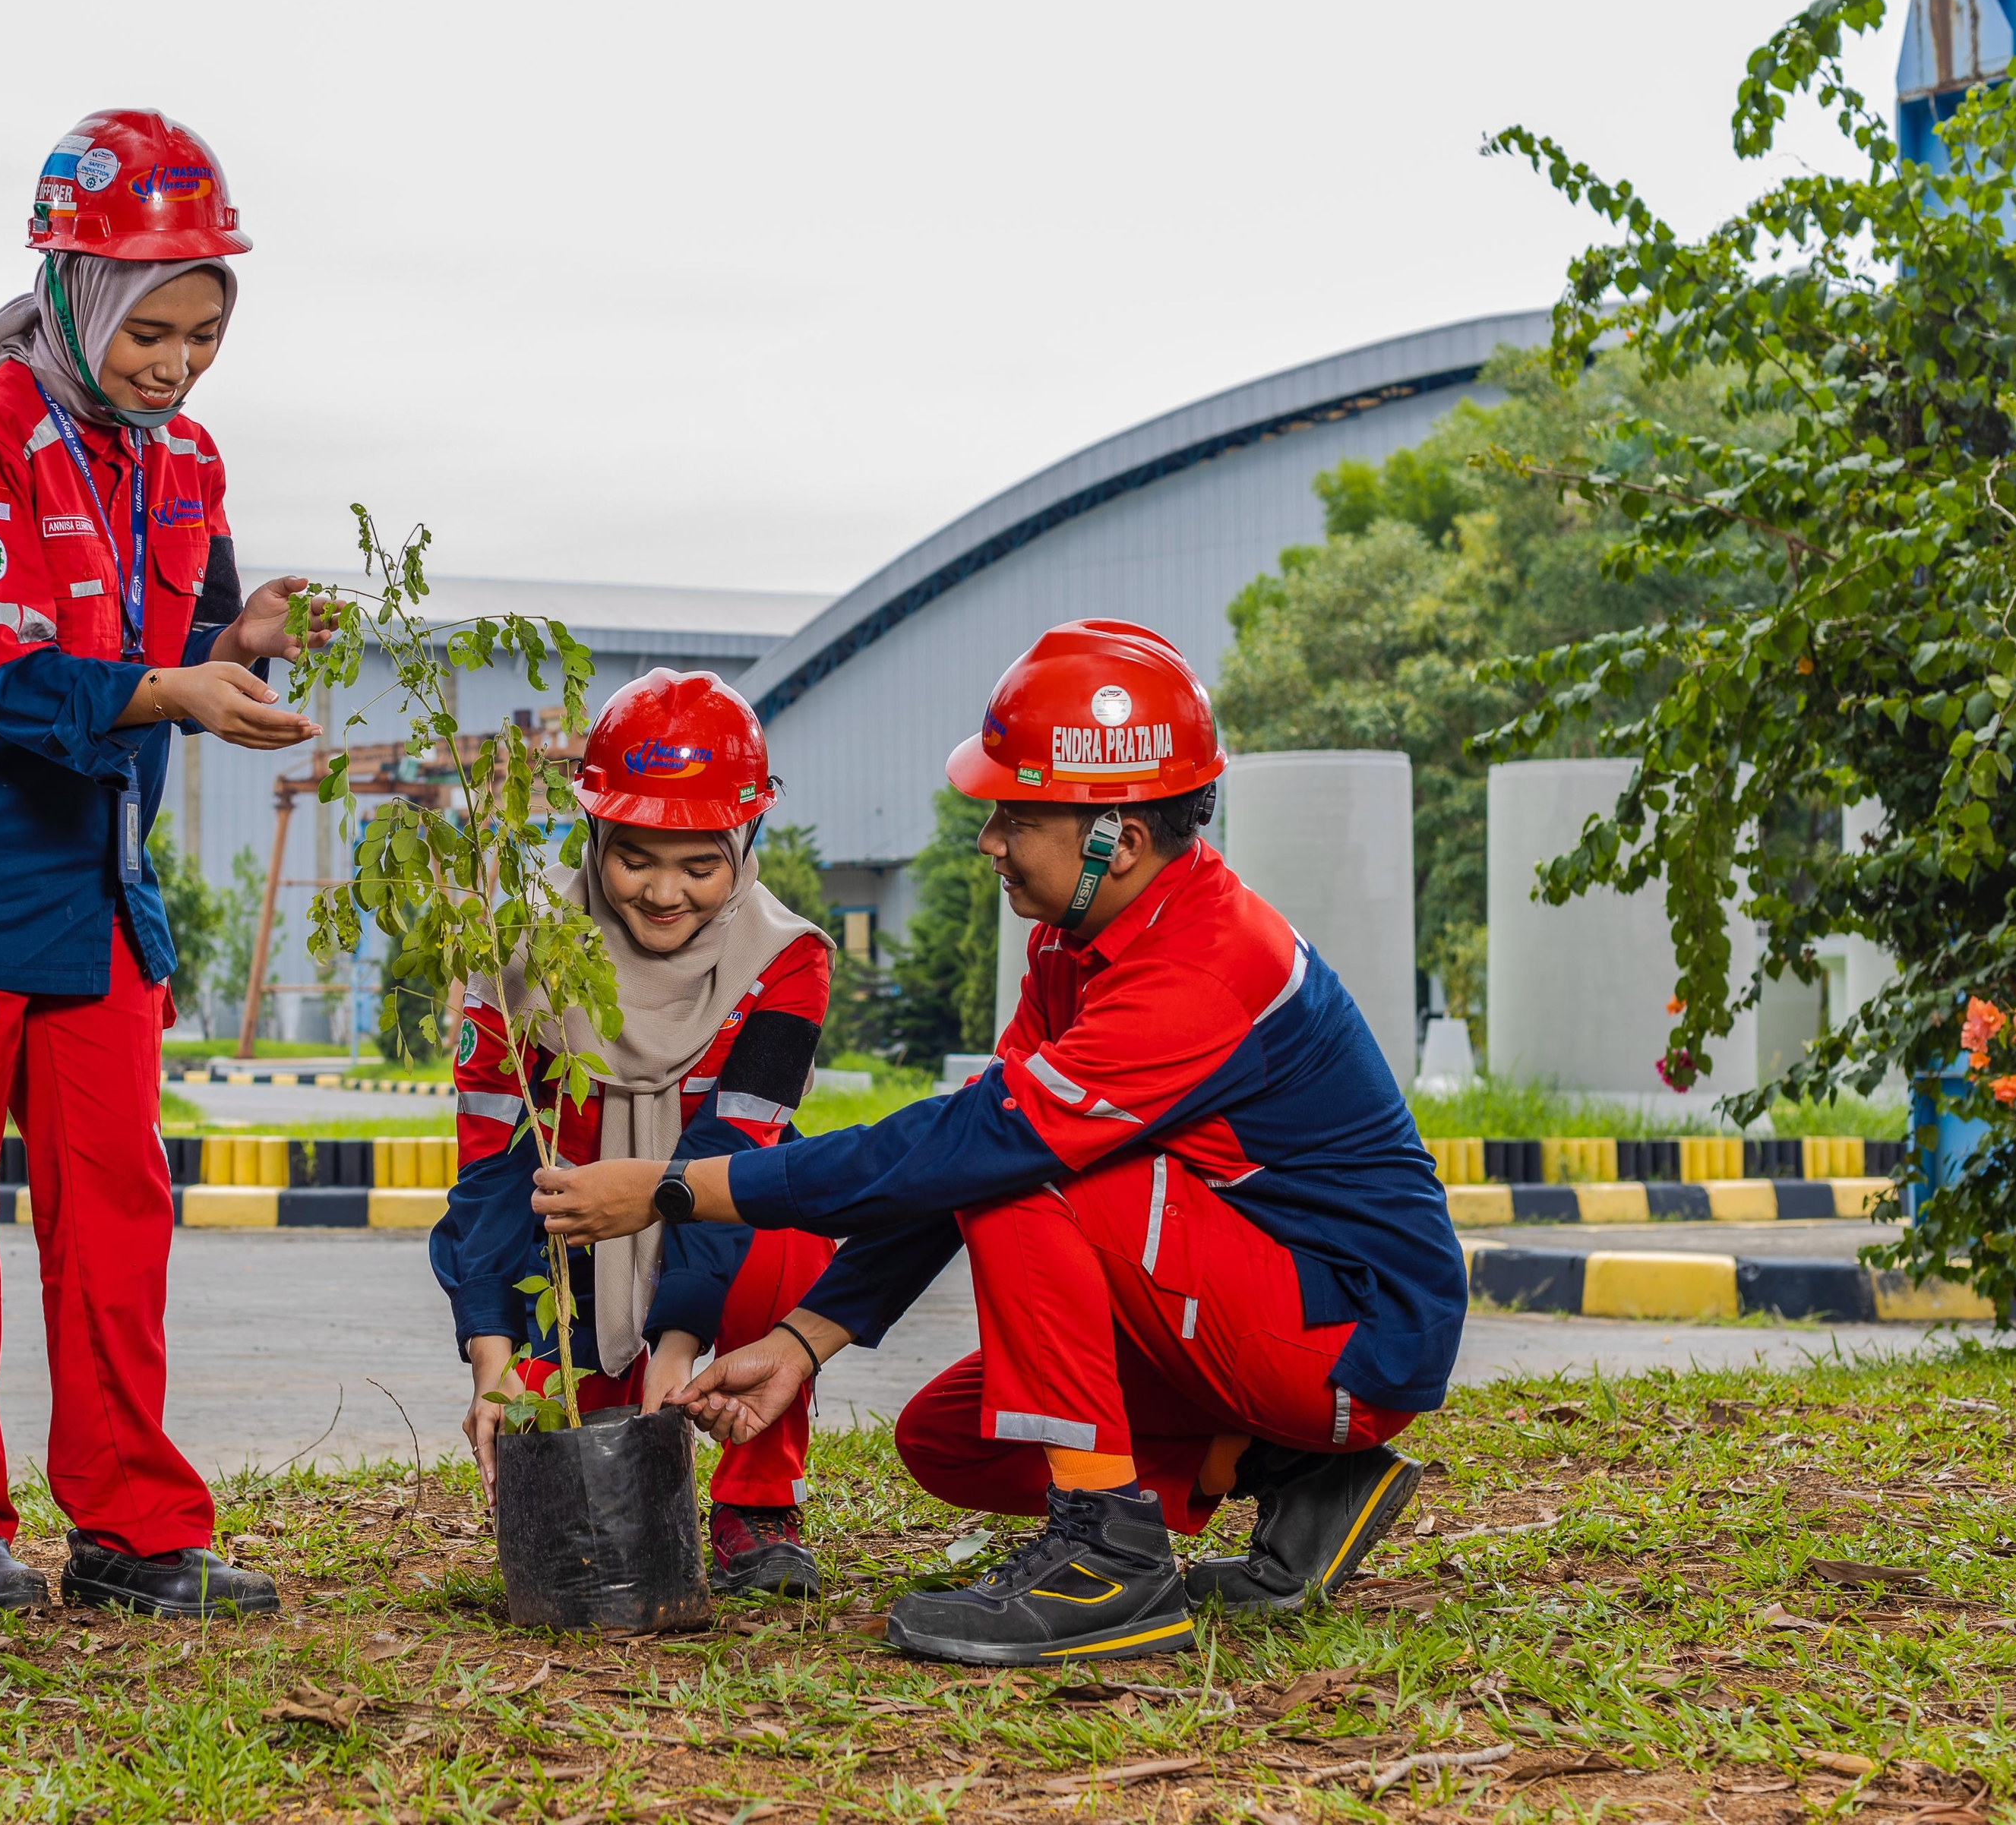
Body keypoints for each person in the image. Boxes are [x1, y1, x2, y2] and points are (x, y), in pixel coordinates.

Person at [530, 620, 1466, 1663]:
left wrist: (673, 1187)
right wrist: (801, 1346)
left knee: (1024, 1171)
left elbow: (976, 1148)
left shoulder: (1205, 965)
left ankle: (1107, 1564)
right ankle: (1283, 1474)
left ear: (1119, 836)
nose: (989, 843)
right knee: (951, 1442)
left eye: (1015, 818)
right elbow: (951, 1164)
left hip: (1351, 1335)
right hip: (1263, 1318)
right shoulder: (1079, 947)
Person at [0, 109, 337, 1617]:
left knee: (118, 1209)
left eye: (203, 334)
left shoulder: (187, 462)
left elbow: (179, 644)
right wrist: (176, 691)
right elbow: (6, 671)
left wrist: (244, 640)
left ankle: (133, 1532)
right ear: (73, 287)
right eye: (150, 330)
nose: (174, 364)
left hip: (94, 886)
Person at [431, 670, 840, 1596]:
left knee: (797, 1222)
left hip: (717, 1237)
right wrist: (491, 1346)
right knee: (570, 1455)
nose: (664, 893)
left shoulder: (786, 960)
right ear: (594, 839)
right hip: (563, 1253)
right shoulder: (522, 952)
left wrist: (682, 1337)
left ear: (747, 842)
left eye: (701, 865)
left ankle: (756, 1507)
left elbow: (734, 1157)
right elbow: (490, 1166)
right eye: (635, 858)